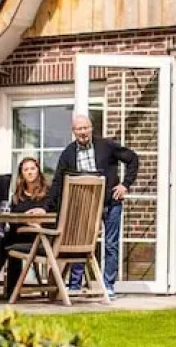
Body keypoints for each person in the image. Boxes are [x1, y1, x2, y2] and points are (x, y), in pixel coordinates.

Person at [47, 113, 139, 295]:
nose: (83, 132)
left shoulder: (106, 145)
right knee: (80, 243)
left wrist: (125, 185)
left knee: (111, 244)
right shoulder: (68, 153)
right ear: (73, 131)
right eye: (79, 129)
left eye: (85, 128)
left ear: (91, 128)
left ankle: (108, 286)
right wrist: (47, 207)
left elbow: (132, 159)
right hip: (84, 204)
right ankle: (75, 285)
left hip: (110, 202)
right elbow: (58, 181)